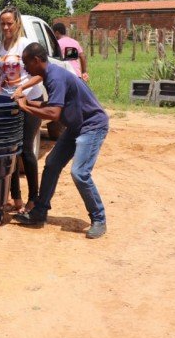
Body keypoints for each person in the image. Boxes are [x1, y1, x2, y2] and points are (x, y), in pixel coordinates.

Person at [12, 42, 109, 239]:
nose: (25, 68)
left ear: (37, 60)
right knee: (52, 163)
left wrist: (25, 108)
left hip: (92, 125)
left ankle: (99, 218)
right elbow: (52, 104)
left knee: (80, 172)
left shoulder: (55, 77)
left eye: (26, 63)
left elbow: (53, 113)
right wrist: (28, 101)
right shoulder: (50, 74)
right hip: (75, 126)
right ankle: (39, 212)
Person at [0, 7, 42, 214]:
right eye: (3, 23)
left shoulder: (26, 46)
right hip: (7, 103)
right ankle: (15, 198)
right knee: (10, 150)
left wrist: (22, 89)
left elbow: (40, 74)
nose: (6, 27)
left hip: (30, 103)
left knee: (25, 149)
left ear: (17, 23)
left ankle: (34, 199)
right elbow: (1, 74)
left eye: (10, 23)